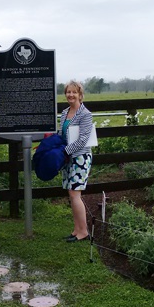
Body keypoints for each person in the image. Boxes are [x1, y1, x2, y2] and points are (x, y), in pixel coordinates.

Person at [59, 80, 93, 243]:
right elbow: (62, 135)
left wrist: (64, 151)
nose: (70, 95)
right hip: (67, 158)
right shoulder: (65, 112)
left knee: (75, 193)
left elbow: (83, 139)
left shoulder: (85, 114)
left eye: (74, 92)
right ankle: (76, 229)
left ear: (80, 94)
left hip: (80, 157)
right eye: (68, 92)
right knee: (71, 194)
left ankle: (84, 232)